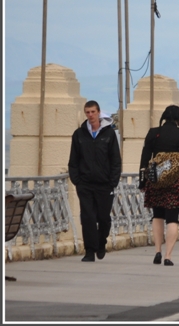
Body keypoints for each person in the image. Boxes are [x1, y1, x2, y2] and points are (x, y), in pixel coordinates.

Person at [139, 105, 179, 266]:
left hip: (155, 180)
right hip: (176, 181)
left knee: (157, 215)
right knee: (172, 218)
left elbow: (144, 159)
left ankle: (157, 250)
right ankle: (168, 256)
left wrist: (143, 180)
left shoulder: (153, 133)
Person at [68, 100, 122, 262]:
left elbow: (115, 160)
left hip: (105, 184)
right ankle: (89, 251)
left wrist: (113, 181)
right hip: (85, 184)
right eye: (87, 112)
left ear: (99, 112)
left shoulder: (109, 134)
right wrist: (76, 180)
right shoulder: (79, 134)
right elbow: (73, 160)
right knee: (88, 217)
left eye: (93, 112)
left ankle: (101, 242)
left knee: (103, 217)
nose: (90, 115)